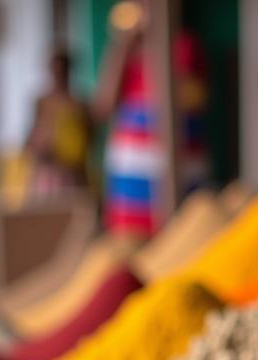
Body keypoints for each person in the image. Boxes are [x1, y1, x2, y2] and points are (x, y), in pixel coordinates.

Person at [92, 0, 208, 237]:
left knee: (176, 242)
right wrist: (123, 45)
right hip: (130, 185)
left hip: (176, 177)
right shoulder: (125, 51)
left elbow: (187, 101)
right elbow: (103, 107)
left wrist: (154, 44)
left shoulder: (185, 46)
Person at [25, 49, 90, 195]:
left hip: (74, 178)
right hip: (47, 179)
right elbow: (31, 142)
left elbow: (88, 142)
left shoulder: (79, 106)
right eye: (56, 72)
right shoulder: (42, 103)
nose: (58, 76)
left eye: (62, 72)